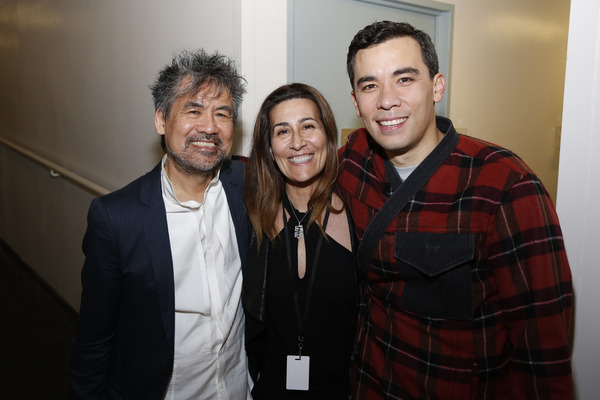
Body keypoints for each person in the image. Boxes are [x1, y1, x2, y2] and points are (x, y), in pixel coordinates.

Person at [337, 21, 573, 399]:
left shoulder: (505, 186)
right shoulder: (353, 161)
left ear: (437, 87)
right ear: (355, 102)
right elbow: (293, 168)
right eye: (370, 85)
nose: (386, 100)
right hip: (367, 384)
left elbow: (542, 351)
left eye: (405, 79)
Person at [68, 49, 251, 399]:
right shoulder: (117, 218)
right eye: (193, 110)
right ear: (161, 120)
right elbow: (93, 342)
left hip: (240, 388)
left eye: (222, 114)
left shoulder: (246, 187)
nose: (209, 127)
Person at [242, 83, 357, 399]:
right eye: (282, 132)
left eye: (308, 126)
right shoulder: (253, 219)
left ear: (328, 135)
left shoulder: (359, 215)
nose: (297, 143)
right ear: (269, 146)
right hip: (273, 389)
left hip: (348, 391)